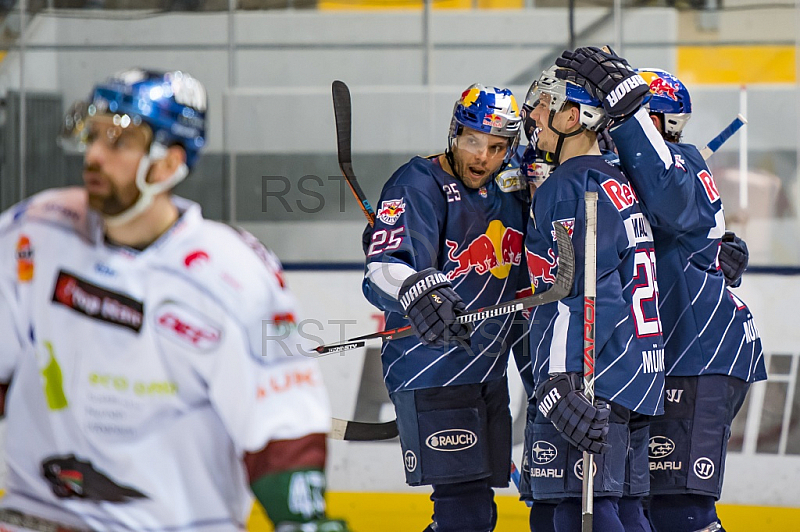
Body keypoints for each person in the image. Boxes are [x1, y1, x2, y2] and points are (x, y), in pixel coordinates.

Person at [0, 69, 349, 532]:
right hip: (36, 515)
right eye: (95, 135)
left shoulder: (233, 273)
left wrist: (302, 521)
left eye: (119, 142)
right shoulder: (34, 234)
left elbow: (279, 418)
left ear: (167, 165)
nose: (95, 155)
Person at [554, 48, 766, 532]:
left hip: (700, 352)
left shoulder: (676, 165)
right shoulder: (632, 173)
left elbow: (677, 210)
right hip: (670, 355)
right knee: (644, 506)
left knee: (680, 511)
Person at [362, 84, 530, 532]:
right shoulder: (416, 183)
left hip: (488, 372)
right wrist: (417, 287)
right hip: (431, 370)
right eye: (472, 140)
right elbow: (381, 270)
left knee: (478, 513)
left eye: (496, 147)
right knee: (465, 514)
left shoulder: (516, 182)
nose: (482, 157)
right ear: (454, 132)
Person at [519, 65, 665, 532]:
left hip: (590, 376)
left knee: (579, 511)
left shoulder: (569, 185)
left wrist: (560, 378)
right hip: (635, 374)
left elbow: (577, 290)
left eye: (546, 104)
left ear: (572, 118)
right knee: (617, 510)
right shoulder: (616, 181)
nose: (534, 113)